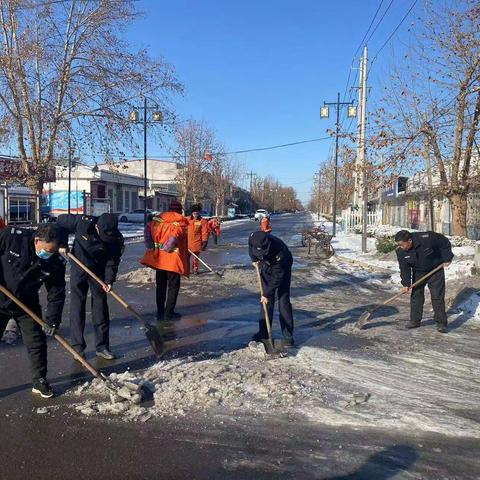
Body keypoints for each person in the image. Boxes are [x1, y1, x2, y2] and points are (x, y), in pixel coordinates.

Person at [0, 223, 66, 398]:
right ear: (37, 240)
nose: (48, 255)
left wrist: (52, 320)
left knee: (36, 342)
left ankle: (40, 380)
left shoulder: (55, 262)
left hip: (26, 304)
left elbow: (56, 293)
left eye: (53, 251)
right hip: (0, 297)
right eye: (46, 250)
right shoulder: (12, 237)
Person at [57, 213, 124, 359]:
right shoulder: (83, 222)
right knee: (78, 305)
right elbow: (60, 222)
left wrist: (108, 281)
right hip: (79, 267)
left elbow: (112, 262)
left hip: (99, 271)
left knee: (100, 306)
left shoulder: (117, 239)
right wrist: (62, 243)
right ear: (96, 226)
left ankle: (102, 347)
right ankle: (78, 347)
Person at [395, 229, 454, 333]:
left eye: (402, 244)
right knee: (416, 295)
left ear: (410, 240)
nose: (401, 247)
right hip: (418, 272)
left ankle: (441, 323)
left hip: (435, 269)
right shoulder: (401, 252)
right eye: (399, 245)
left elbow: (444, 242)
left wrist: (447, 257)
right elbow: (404, 268)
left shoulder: (427, 238)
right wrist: (405, 284)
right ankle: (415, 320)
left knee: (437, 296)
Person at [141, 200, 189, 320]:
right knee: (173, 287)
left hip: (158, 259)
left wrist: (150, 245)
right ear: (179, 210)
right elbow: (174, 237)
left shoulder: (158, 220)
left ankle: (160, 311)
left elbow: (147, 229)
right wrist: (168, 247)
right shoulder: (180, 222)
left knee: (160, 285)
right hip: (172, 260)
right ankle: (169, 313)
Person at [248, 230, 294, 346]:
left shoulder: (279, 251)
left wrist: (266, 293)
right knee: (266, 302)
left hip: (283, 267)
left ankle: (288, 336)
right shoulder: (253, 238)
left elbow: (277, 277)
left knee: (283, 299)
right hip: (267, 265)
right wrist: (254, 260)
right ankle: (263, 333)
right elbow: (250, 247)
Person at [187, 204, 209, 274]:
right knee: (186, 258)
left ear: (199, 213)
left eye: (197, 213)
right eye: (194, 213)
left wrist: (205, 241)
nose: (195, 214)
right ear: (192, 213)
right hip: (187, 243)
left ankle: (195, 270)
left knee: (196, 258)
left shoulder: (202, 221)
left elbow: (204, 232)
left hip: (197, 243)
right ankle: (186, 270)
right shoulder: (187, 220)